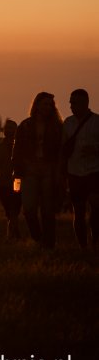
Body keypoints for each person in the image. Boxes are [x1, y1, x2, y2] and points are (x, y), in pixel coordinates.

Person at [12, 92, 63, 249]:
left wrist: (59, 173)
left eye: (50, 104)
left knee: (48, 211)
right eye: (45, 104)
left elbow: (61, 151)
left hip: (49, 169)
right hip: (30, 169)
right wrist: (17, 171)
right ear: (37, 105)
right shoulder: (25, 125)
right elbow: (17, 149)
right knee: (28, 209)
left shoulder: (57, 127)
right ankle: (38, 237)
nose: (48, 107)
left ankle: (48, 244)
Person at [62, 89, 99, 249]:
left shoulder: (97, 122)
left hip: (93, 171)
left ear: (85, 103)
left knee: (96, 206)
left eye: (74, 102)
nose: (71, 105)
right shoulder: (67, 123)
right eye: (70, 102)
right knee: (78, 211)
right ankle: (83, 245)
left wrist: (95, 149)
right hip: (74, 172)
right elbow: (62, 149)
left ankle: (95, 240)